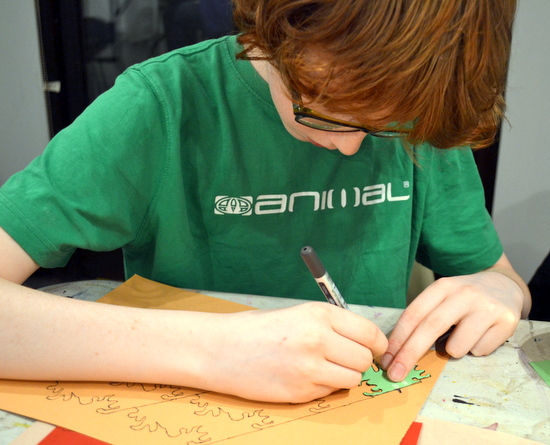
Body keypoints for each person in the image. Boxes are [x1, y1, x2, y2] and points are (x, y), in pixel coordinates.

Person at [0, 0, 530, 403]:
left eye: (385, 128)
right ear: (277, 32)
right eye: (322, 110)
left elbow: (500, 280)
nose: (347, 146)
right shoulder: (160, 107)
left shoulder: (421, 113)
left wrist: (500, 291)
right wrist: (213, 351)